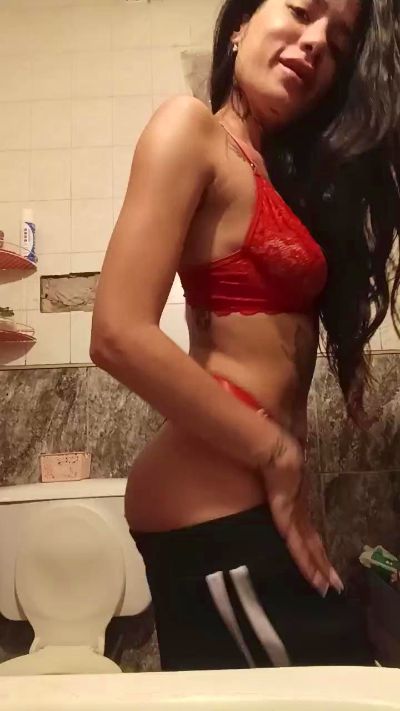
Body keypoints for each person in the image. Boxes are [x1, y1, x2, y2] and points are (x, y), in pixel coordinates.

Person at [91, 0, 400, 671]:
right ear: (240, 24)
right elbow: (116, 333)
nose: (315, 42)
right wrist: (276, 453)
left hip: (251, 511)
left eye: (338, 42)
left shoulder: (270, 170)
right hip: (213, 511)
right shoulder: (190, 129)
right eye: (302, 10)